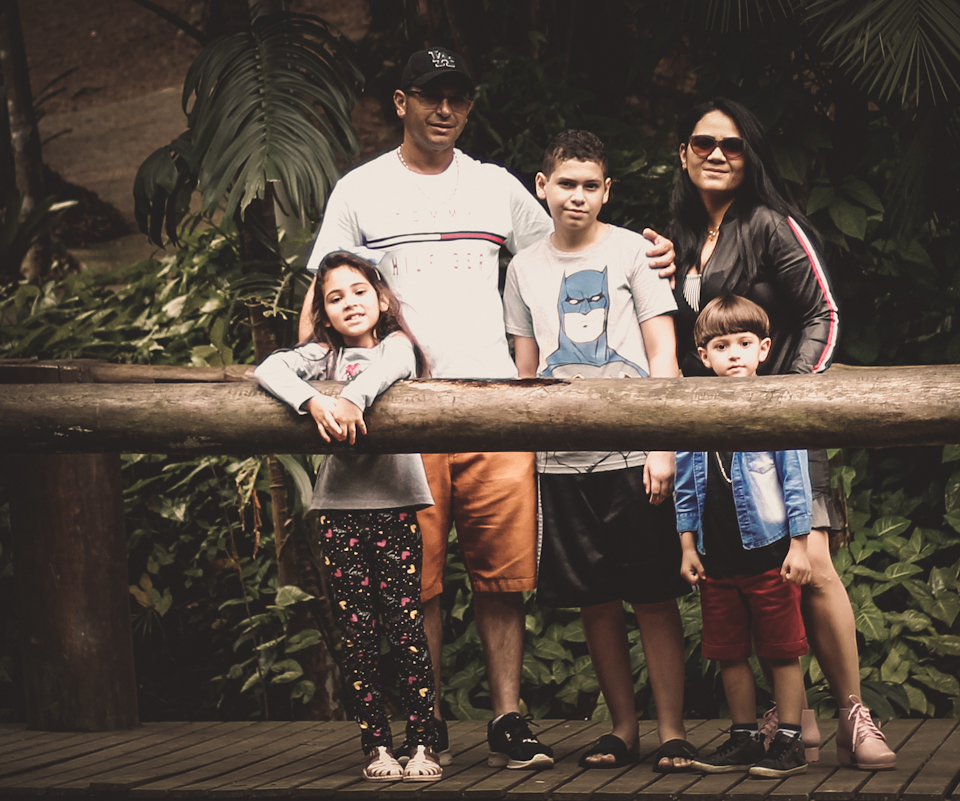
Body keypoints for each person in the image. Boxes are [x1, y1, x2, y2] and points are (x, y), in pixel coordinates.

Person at [299, 47, 675, 770]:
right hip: (401, 411)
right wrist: (323, 385)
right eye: (430, 95)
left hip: (497, 403)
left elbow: (569, 249)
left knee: (503, 577)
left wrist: (650, 253)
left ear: (469, 106)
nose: (445, 109)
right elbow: (323, 296)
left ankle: (507, 717)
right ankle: (427, 722)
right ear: (401, 102)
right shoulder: (359, 190)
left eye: (458, 97)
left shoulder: (496, 186)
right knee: (419, 582)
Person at [668, 97, 896, 771]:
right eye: (703, 142)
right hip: (716, 435)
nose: (717, 153)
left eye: (732, 144)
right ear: (683, 153)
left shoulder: (769, 223)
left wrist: (785, 399)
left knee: (813, 565)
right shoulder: (680, 237)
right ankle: (797, 723)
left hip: (785, 423)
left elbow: (823, 312)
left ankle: (853, 712)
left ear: (751, 156)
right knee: (751, 571)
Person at [503, 130, 696, 774]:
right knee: (596, 598)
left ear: (607, 190)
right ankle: (623, 729)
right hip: (560, 463)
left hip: (636, 458)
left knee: (653, 594)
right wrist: (530, 460)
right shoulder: (523, 268)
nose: (577, 196)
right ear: (543, 186)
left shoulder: (633, 252)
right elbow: (526, 370)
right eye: (566, 184)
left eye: (590, 185)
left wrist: (661, 446)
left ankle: (672, 732)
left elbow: (663, 353)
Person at [255, 251, 441, 784]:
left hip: (395, 506)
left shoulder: (396, 345)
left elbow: (390, 368)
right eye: (335, 298)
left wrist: (353, 400)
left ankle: (423, 743)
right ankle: (376, 745)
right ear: (324, 312)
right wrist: (313, 402)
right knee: (357, 633)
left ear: (380, 298)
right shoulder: (323, 357)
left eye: (359, 292)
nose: (350, 303)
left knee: (405, 627)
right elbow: (268, 369)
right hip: (339, 511)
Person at [676, 294, 812, 779]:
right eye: (721, 346)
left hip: (769, 556)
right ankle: (744, 737)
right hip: (716, 561)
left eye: (744, 343)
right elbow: (685, 486)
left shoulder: (777, 410)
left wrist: (800, 544)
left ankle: (791, 740)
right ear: (703, 356)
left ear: (764, 349)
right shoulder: (694, 415)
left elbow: (795, 481)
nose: (733, 353)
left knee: (781, 650)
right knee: (727, 653)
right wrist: (687, 546)